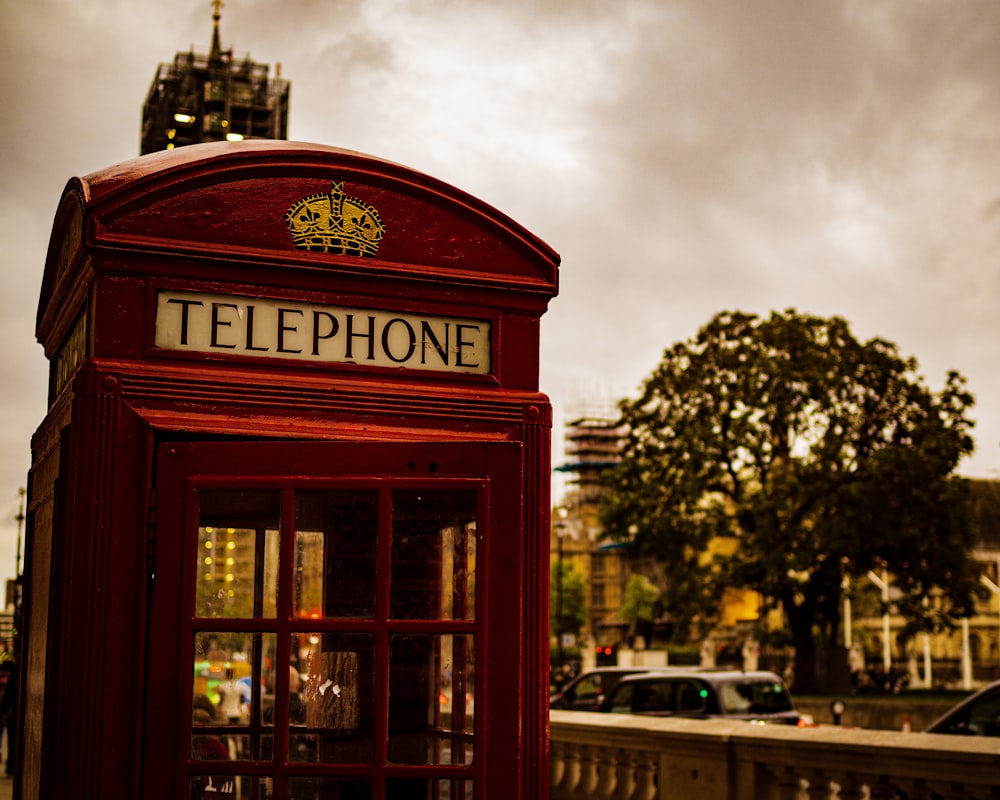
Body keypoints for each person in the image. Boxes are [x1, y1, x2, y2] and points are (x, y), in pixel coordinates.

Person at [0, 659, 19, 777]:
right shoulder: (17, 676)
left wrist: (4, 712)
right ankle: (12, 764)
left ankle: (11, 765)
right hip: (14, 713)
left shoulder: (12, 680)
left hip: (11, 714)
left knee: (12, 740)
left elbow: (8, 697)